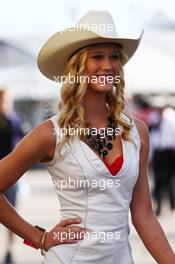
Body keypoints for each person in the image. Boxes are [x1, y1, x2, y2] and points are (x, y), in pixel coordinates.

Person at [0, 10, 175, 264]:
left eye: (114, 56)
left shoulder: (137, 132)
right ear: (78, 65)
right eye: (97, 56)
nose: (108, 64)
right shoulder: (51, 133)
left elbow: (144, 215)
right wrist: (39, 238)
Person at [0, 88, 24, 263]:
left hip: (12, 176)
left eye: (8, 100)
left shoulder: (15, 120)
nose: (6, 104)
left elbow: (21, 145)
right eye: (3, 100)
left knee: (12, 213)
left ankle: (9, 251)